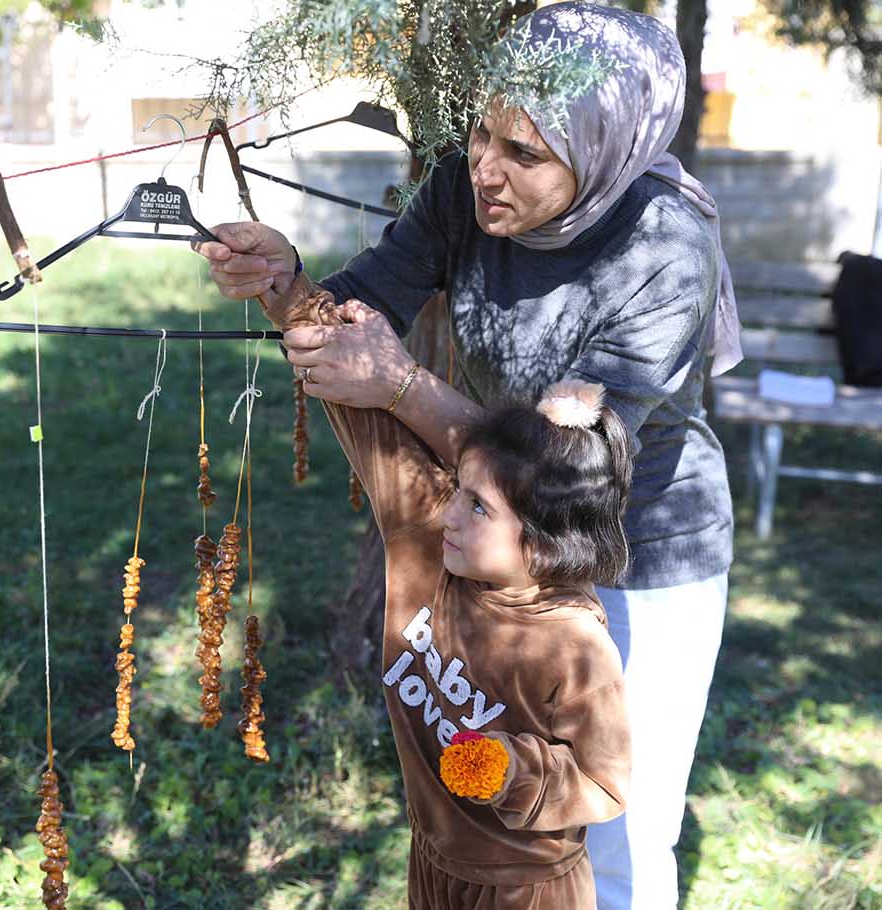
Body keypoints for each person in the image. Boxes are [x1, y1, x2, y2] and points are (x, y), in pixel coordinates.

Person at [193, 5, 739, 909]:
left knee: (616, 834)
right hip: (495, 531)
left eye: (523, 154)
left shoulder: (668, 250)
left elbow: (564, 474)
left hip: (639, 548)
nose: (485, 166)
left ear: (601, 150)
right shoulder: (461, 188)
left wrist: (401, 386)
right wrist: (287, 284)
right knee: (488, 805)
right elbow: (364, 306)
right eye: (481, 132)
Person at [258, 283, 633, 909]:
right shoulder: (431, 543)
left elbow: (605, 781)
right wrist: (286, 292)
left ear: (541, 544)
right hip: (432, 860)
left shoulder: (573, 646)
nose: (450, 514)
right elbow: (367, 415)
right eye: (460, 489)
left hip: (524, 891)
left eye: (478, 505)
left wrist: (509, 771)